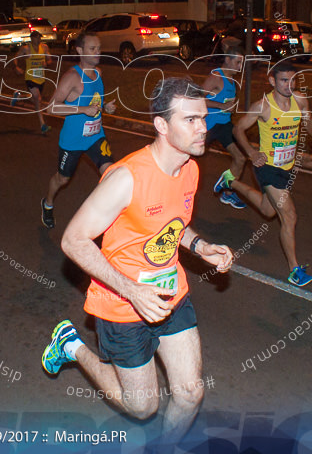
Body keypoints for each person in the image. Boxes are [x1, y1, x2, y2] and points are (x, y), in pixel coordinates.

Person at [42, 77, 234, 449]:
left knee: (190, 393)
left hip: (170, 293)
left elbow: (171, 225)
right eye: (191, 120)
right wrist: (131, 290)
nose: (203, 128)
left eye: (204, 118)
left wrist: (201, 245)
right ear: (162, 126)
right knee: (143, 406)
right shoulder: (126, 178)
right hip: (122, 305)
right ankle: (71, 345)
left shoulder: (190, 169)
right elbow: (73, 239)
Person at [215, 60, 312, 287]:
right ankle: (294, 270)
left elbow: (309, 121)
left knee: (267, 210)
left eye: (293, 80)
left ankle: (230, 181)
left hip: (287, 167)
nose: (289, 85)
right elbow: (238, 129)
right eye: (284, 80)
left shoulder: (300, 100)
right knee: (289, 215)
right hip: (267, 167)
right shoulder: (262, 106)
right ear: (272, 80)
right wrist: (251, 152)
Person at [40, 32, 116, 229]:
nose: (97, 52)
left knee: (111, 174)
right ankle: (47, 204)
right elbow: (51, 107)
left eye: (99, 48)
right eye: (92, 49)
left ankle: (107, 220)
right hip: (73, 140)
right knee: (62, 179)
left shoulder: (98, 72)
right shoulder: (72, 77)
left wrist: (105, 106)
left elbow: (94, 99)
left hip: (95, 135)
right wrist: (82, 110)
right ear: (80, 50)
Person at [203, 45, 247, 209]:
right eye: (237, 62)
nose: (240, 67)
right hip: (208, 125)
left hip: (224, 126)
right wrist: (220, 106)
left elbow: (228, 105)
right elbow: (197, 99)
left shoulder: (232, 80)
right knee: (187, 160)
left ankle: (227, 193)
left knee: (240, 158)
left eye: (242, 63)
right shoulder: (216, 76)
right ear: (227, 59)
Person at [13, 30, 54, 135]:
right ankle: (43, 125)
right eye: (36, 37)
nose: (39, 39)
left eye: (39, 37)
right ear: (32, 38)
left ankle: (18, 96)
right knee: (38, 98)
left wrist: (47, 63)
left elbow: (50, 60)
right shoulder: (26, 49)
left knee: (36, 100)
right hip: (30, 77)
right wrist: (16, 67)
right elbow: (16, 57)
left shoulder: (44, 47)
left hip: (41, 78)